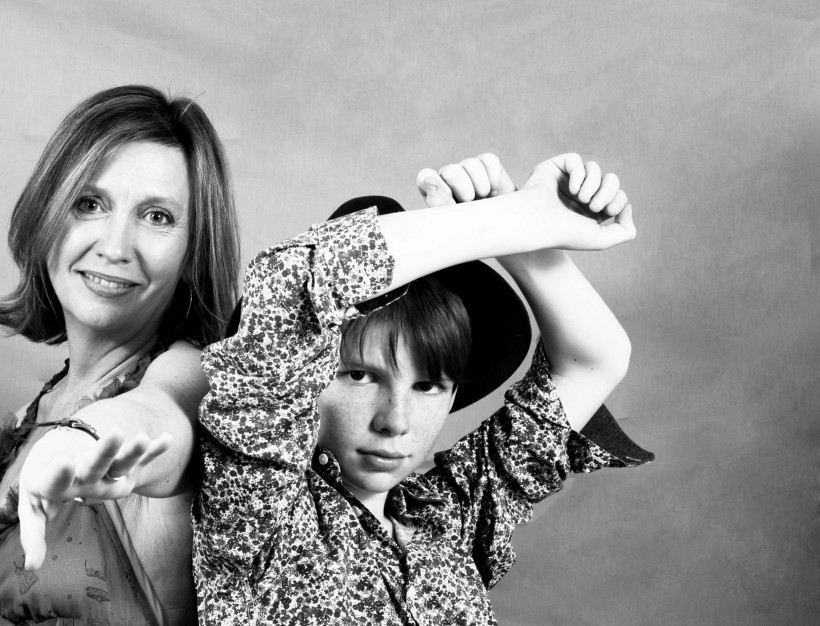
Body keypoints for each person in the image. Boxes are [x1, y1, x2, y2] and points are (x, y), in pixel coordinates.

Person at [192, 153, 653, 624]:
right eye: (359, 376)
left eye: (427, 385)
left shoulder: (449, 518)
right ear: (305, 374)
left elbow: (593, 364)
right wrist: (519, 216)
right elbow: (286, 286)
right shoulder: (258, 516)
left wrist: (528, 238)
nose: (395, 421)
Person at [0, 85, 239, 625]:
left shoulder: (194, 377)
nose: (115, 246)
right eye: (89, 204)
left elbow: (160, 419)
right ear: (47, 214)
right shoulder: (40, 409)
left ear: (195, 252)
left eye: (157, 216)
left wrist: (89, 439)